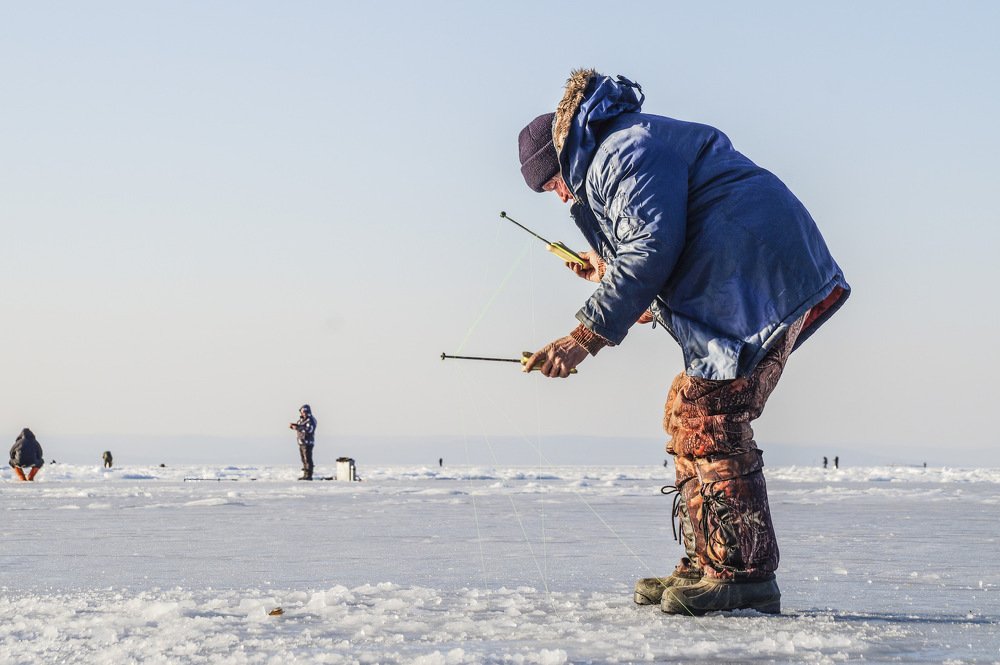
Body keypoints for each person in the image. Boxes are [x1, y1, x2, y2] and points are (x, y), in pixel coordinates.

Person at [518, 69, 850, 615]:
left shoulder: (619, 153)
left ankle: (744, 574)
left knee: (710, 411)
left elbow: (651, 250)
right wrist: (613, 274)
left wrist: (584, 336)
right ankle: (709, 560)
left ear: (561, 160)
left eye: (551, 184)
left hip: (763, 280)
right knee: (685, 408)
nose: (558, 196)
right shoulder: (616, 151)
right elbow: (659, 248)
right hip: (743, 280)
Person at [289, 404, 317, 480]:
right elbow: (300, 426)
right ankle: (305, 474)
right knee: (303, 459)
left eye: (304, 412)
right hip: (301, 442)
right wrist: (294, 426)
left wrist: (298, 427)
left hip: (307, 442)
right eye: (301, 412)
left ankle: (309, 475)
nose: (302, 413)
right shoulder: (302, 420)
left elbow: (309, 430)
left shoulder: (310, 420)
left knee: (307, 458)